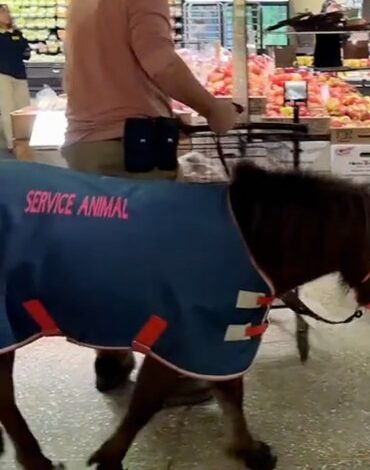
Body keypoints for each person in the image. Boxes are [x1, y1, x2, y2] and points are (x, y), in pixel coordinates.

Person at [62, 0, 239, 406]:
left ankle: (111, 357)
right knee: (159, 267)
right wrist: (212, 109)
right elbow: (159, 59)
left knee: (107, 261)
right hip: (131, 149)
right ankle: (170, 378)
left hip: (85, 144)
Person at [0, 4, 31, 152]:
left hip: (19, 74)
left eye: (7, 12)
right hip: (2, 74)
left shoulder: (17, 32)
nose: (7, 15)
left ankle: (25, 139)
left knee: (24, 108)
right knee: (8, 109)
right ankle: (12, 143)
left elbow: (26, 52)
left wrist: (15, 37)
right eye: (3, 13)